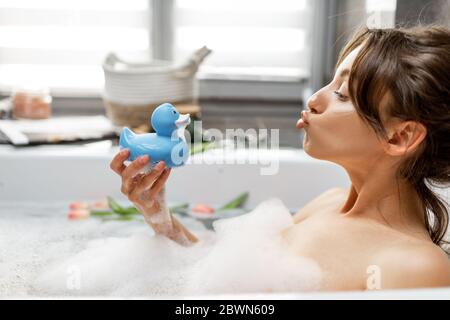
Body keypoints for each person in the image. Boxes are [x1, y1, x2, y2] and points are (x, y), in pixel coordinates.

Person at [110, 26, 450, 290]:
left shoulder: (412, 267)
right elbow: (213, 274)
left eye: (342, 94)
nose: (316, 99)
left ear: (400, 136)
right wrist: (159, 216)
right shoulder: (328, 203)